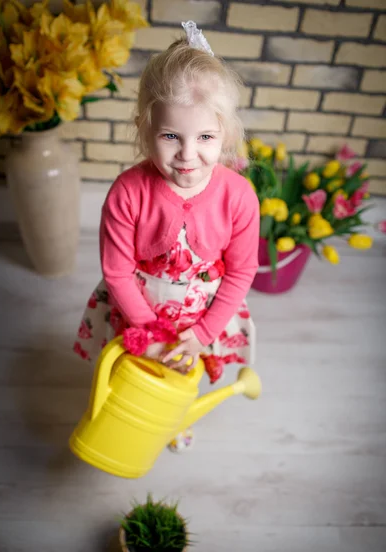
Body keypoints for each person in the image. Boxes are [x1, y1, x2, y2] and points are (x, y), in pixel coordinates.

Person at [73, 21, 260, 452]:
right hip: (138, 310)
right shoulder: (128, 191)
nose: (188, 154)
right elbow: (117, 272)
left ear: (226, 134)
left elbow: (242, 269)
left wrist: (204, 333)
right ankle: (116, 413)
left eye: (206, 137)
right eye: (171, 136)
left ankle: (171, 422)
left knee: (183, 373)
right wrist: (149, 332)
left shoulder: (238, 196)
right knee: (132, 371)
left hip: (201, 315)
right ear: (145, 128)